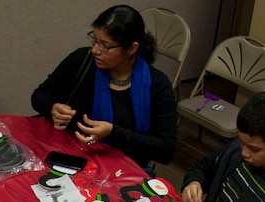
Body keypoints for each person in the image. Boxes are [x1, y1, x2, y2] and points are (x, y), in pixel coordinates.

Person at [30, 5, 177, 171]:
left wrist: (113, 133)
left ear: (132, 48)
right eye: (95, 40)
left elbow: (166, 150)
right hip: (75, 158)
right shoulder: (82, 61)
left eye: (105, 46)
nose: (95, 50)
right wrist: (52, 108)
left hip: (128, 168)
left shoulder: (157, 84)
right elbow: (39, 96)